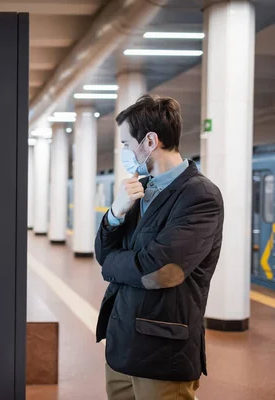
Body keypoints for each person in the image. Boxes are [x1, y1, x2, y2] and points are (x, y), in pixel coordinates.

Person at [94, 95, 224, 400]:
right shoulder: (138, 190)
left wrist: (112, 263)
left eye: (127, 144)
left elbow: (159, 270)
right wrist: (116, 211)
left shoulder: (199, 196)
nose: (124, 151)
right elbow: (103, 251)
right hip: (121, 345)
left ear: (150, 141)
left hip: (162, 352)